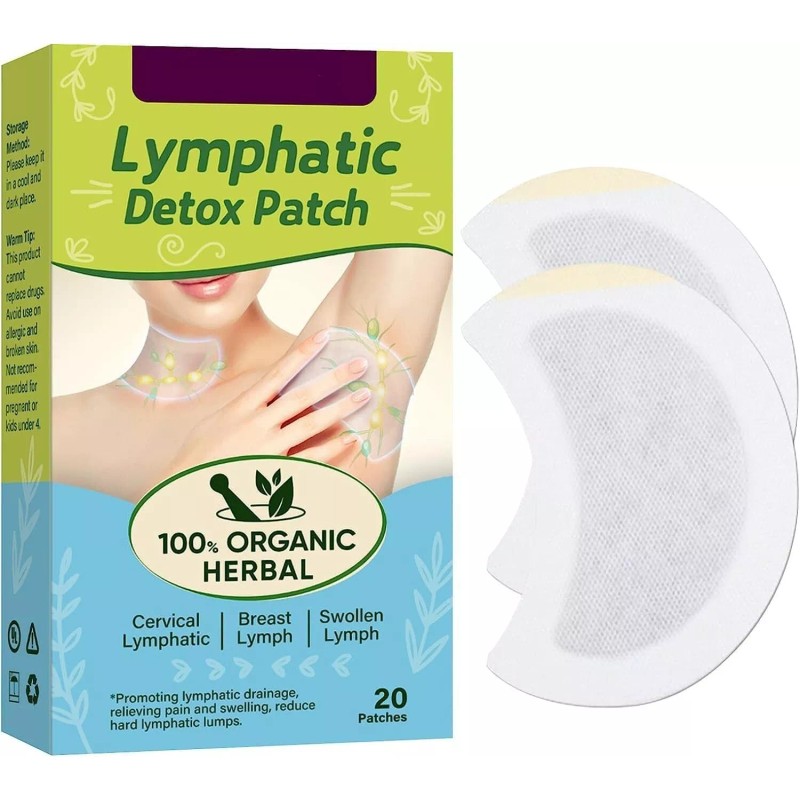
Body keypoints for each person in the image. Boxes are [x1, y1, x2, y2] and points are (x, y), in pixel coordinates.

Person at [53, 247, 452, 502]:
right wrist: (182, 486)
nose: (201, 243)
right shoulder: (44, 436)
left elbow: (420, 174)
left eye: (232, 200)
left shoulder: (331, 382)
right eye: (156, 209)